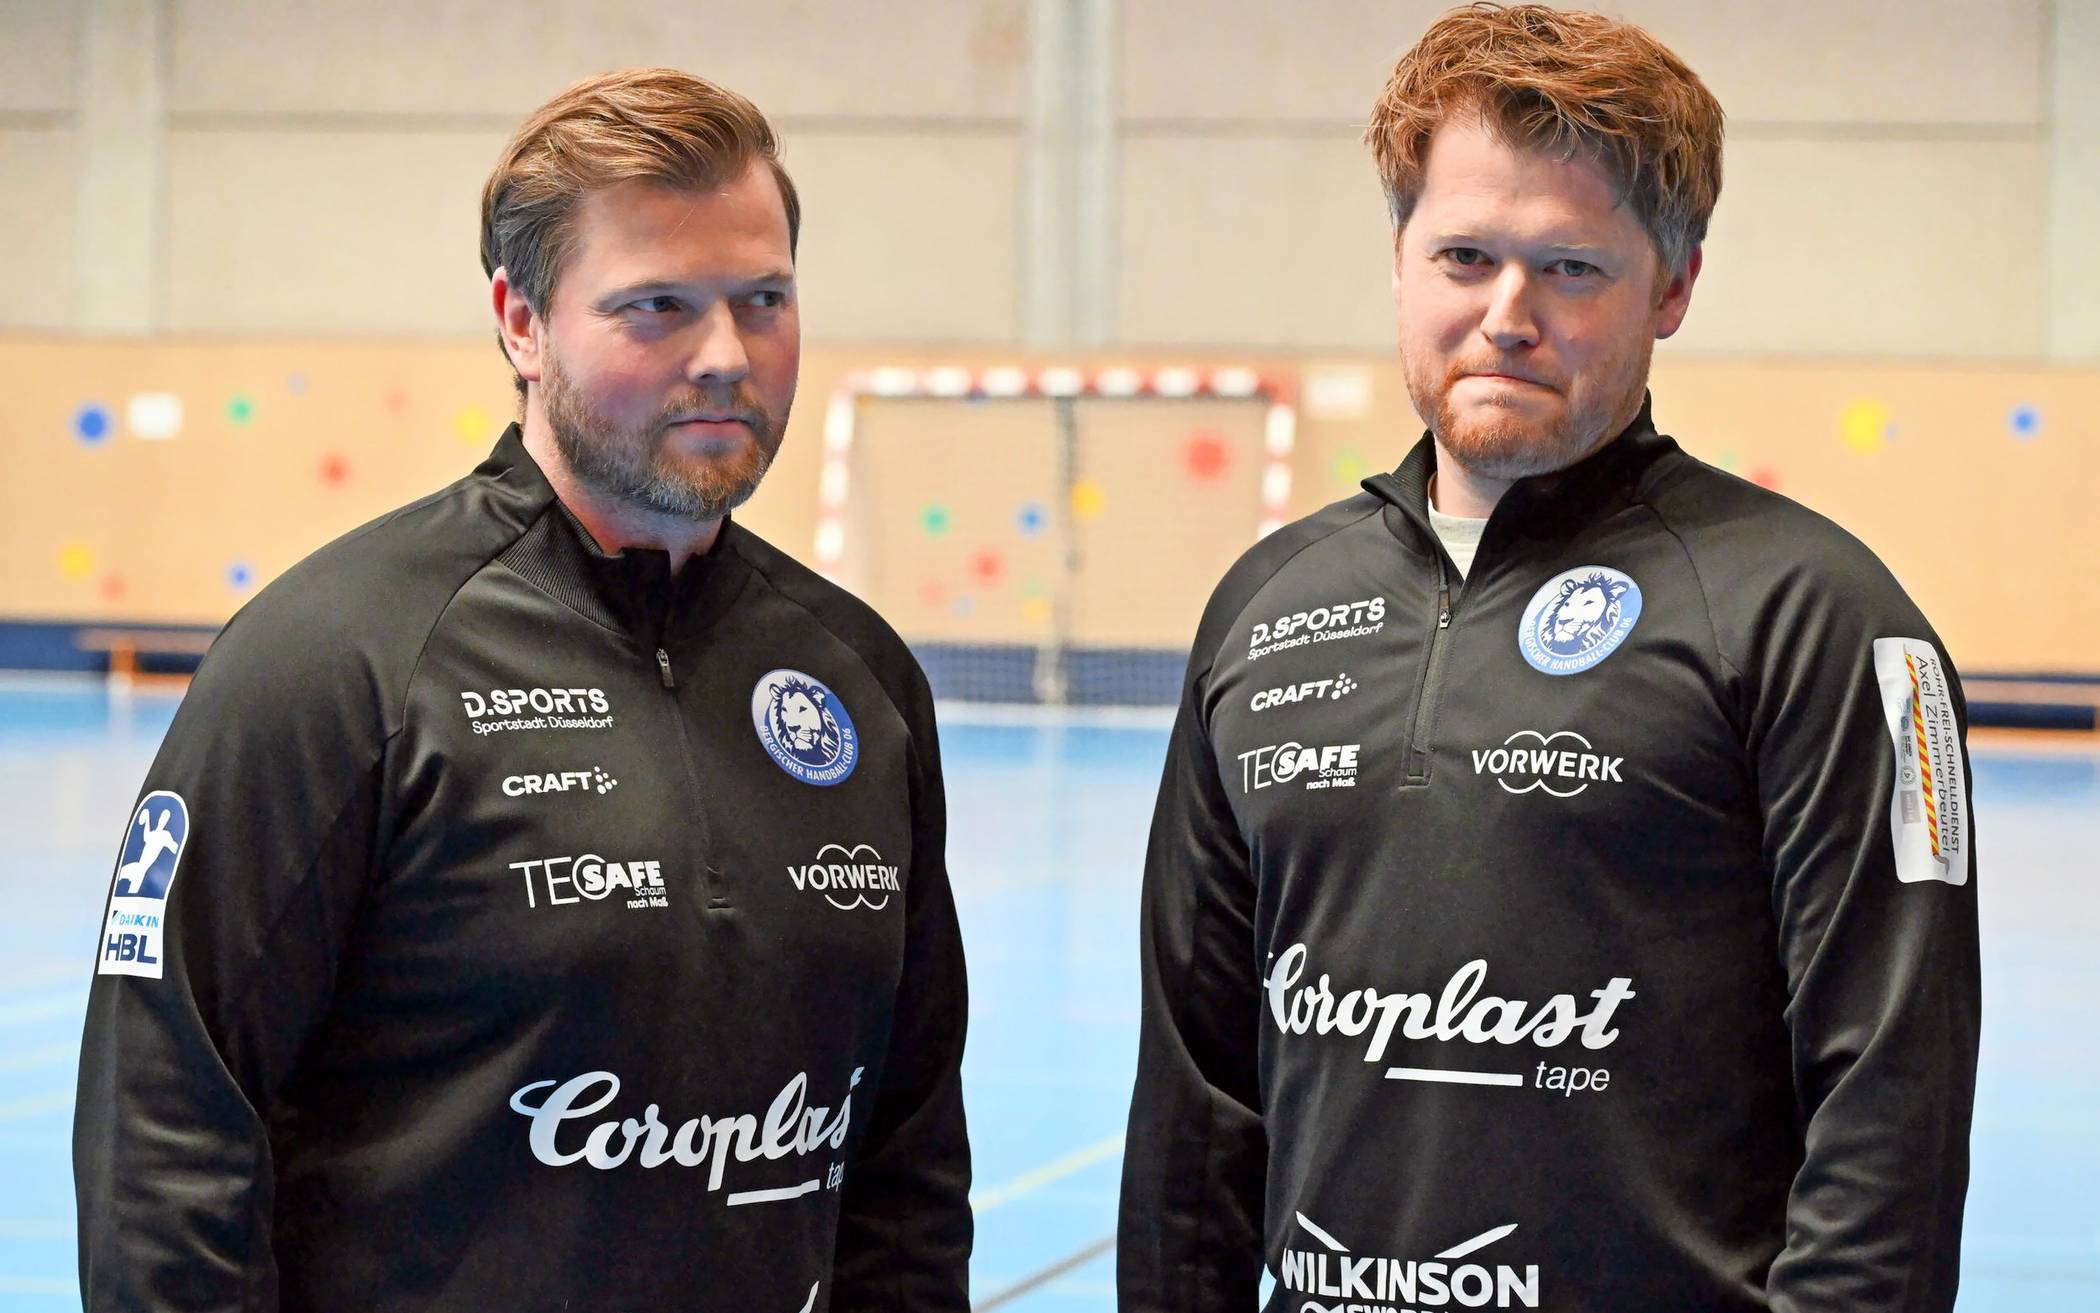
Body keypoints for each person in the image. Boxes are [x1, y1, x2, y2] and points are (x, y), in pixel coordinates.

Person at [1117, 6, 1978, 1311]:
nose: (1506, 314)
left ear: (1674, 284)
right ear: (1402, 262)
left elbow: (1892, 1111)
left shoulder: (1830, 619)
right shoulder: (1265, 605)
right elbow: (1198, 1106)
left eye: (1570, 268)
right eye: (1464, 255)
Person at [75, 68, 971, 1312]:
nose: (727, 355)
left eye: (763, 299)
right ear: (521, 320)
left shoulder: (859, 680)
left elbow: (908, 1165)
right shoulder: (340, 664)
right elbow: (168, 1130)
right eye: (655, 306)